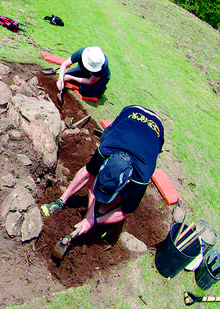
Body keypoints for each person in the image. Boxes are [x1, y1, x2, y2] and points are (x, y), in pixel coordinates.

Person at [41, 105, 164, 246]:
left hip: (156, 128)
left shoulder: (141, 178)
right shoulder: (106, 149)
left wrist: (93, 220)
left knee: (121, 198)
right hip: (132, 112)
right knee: (91, 166)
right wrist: (90, 212)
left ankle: (106, 204)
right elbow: (91, 173)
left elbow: (126, 212)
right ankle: (61, 200)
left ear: (127, 182)